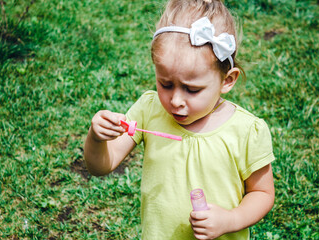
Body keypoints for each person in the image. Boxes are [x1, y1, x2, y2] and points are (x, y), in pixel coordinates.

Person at [84, 0, 275, 239]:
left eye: (191, 90)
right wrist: (96, 138)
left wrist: (230, 219)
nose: (175, 100)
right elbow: (101, 166)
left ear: (227, 80)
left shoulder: (246, 131)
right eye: (165, 84)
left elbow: (262, 193)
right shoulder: (149, 111)